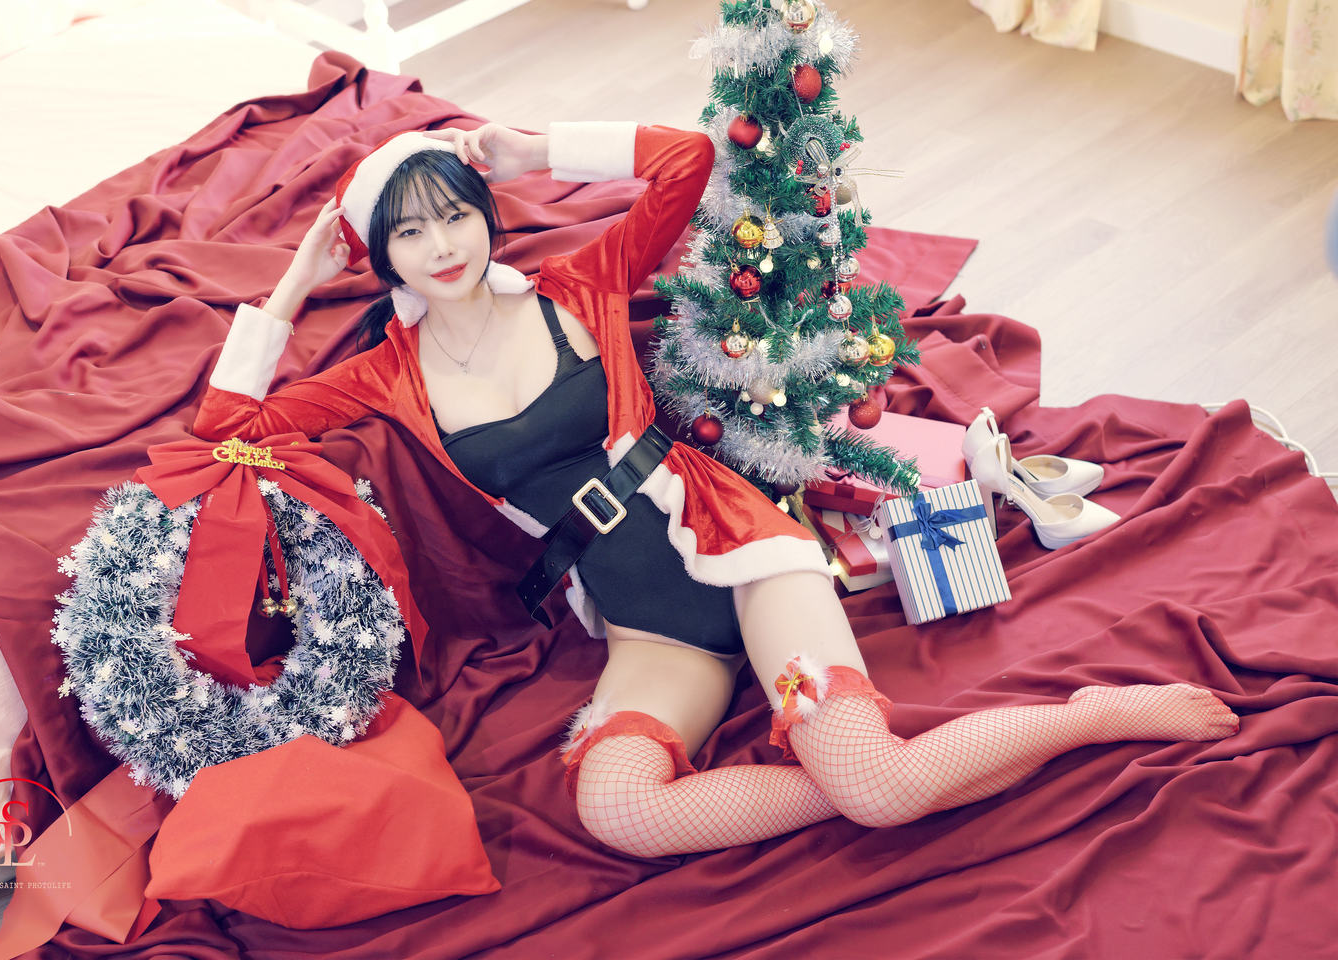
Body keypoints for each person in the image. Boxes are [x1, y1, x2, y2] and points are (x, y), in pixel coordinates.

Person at [192, 120, 1239, 859]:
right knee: (618, 810)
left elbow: (686, 164)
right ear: (380, 254)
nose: (443, 246)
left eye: (456, 215)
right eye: (410, 232)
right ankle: (859, 779)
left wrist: (537, 149)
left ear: (485, 213)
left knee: (882, 792)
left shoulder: (577, 286)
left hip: (740, 551)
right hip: (648, 626)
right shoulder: (387, 373)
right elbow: (228, 428)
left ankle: (1091, 716)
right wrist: (296, 279)